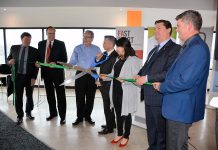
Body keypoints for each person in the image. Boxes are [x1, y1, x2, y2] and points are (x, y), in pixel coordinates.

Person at [153, 10, 210, 150]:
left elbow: (185, 81)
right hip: (177, 107)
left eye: (178, 26)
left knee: (175, 146)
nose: (176, 30)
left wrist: (162, 87)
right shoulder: (190, 46)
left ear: (189, 26)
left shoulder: (197, 48)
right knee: (176, 144)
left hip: (180, 108)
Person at [135, 20, 181, 150]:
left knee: (161, 129)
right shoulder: (154, 50)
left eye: (159, 28)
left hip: (160, 95)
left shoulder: (175, 49)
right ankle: (152, 147)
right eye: (155, 29)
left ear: (168, 30)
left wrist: (147, 78)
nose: (156, 31)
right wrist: (139, 75)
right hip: (149, 94)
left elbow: (169, 72)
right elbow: (146, 67)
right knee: (151, 127)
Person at [104, 37, 141, 147]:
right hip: (115, 90)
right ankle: (119, 133)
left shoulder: (133, 60)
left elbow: (136, 79)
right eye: (117, 47)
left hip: (126, 91)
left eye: (119, 47)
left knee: (126, 114)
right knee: (118, 113)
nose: (117, 49)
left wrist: (125, 79)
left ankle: (126, 136)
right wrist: (105, 76)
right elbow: (113, 74)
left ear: (125, 47)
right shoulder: (118, 59)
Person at [69, 30, 101, 126]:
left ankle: (87, 116)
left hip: (92, 74)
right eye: (84, 36)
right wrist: (68, 65)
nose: (85, 38)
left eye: (87, 37)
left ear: (92, 38)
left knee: (91, 97)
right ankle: (79, 117)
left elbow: (100, 62)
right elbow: (72, 61)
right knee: (79, 97)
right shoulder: (77, 48)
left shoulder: (97, 48)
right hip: (80, 73)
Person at [38, 26, 67, 125]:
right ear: (46, 33)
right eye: (49, 33)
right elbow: (39, 58)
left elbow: (64, 59)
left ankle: (62, 116)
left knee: (60, 95)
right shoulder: (41, 44)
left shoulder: (61, 44)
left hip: (58, 74)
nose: (51, 35)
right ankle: (53, 113)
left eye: (53, 33)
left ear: (55, 33)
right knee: (50, 95)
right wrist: (37, 63)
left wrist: (56, 63)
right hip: (46, 73)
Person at [7, 32, 39, 125]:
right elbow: (9, 58)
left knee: (29, 96)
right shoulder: (14, 48)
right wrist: (9, 61)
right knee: (18, 97)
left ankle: (28, 112)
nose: (28, 41)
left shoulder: (34, 51)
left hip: (29, 77)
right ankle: (20, 116)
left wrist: (34, 77)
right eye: (26, 39)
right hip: (18, 77)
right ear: (21, 39)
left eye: (29, 40)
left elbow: (36, 65)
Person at [95, 35, 118, 135]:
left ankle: (109, 128)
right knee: (108, 106)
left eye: (105, 42)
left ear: (110, 43)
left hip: (109, 85)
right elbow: (97, 66)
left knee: (107, 106)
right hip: (102, 83)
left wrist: (102, 81)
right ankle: (111, 124)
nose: (103, 44)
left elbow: (113, 73)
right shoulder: (104, 53)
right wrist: (97, 59)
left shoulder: (116, 55)